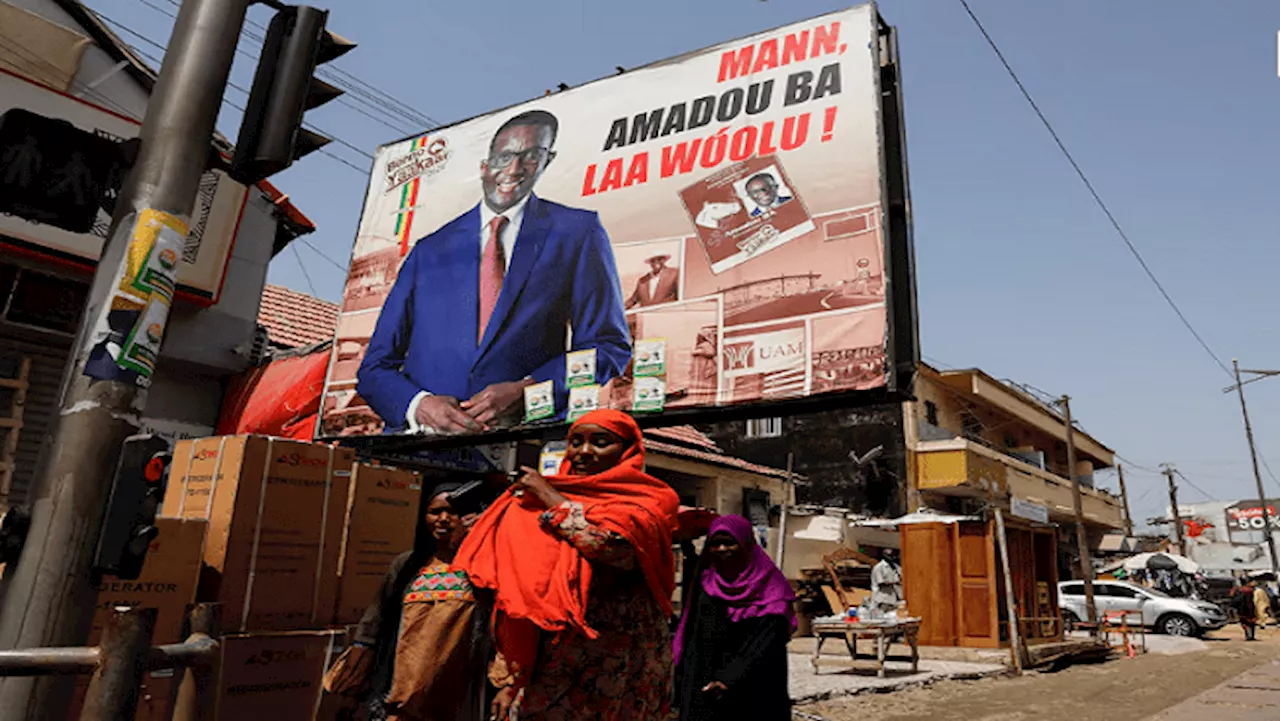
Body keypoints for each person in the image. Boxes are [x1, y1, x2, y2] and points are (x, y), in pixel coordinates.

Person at [358, 110, 632, 435]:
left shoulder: (576, 232)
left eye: (531, 156)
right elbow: (375, 368)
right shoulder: (430, 249)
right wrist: (420, 406)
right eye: (505, 157)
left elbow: (606, 346)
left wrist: (530, 391)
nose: (514, 169)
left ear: (549, 159)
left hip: (524, 448)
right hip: (419, 454)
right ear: (484, 165)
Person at [453, 409, 680, 720]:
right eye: (575, 442)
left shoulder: (646, 501)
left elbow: (607, 546)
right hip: (559, 655)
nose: (584, 452)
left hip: (622, 657)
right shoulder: (539, 499)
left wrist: (549, 497)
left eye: (600, 442)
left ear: (627, 450)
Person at [324, 483, 490, 720]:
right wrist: (361, 651)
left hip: (458, 690)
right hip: (403, 686)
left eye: (452, 512)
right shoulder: (406, 565)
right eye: (435, 512)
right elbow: (378, 614)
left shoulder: (481, 566)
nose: (443, 519)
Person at [672, 515, 795, 721]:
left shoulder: (771, 588)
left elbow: (767, 642)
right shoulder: (705, 581)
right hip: (706, 685)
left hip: (755, 686)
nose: (722, 549)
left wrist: (729, 678)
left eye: (729, 542)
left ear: (746, 544)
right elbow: (694, 632)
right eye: (715, 543)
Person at [871, 548, 902, 613]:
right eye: (890, 555)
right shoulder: (879, 567)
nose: (892, 557)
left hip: (893, 599)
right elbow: (881, 583)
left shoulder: (895, 567)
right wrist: (895, 583)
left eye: (893, 555)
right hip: (882, 599)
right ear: (884, 556)